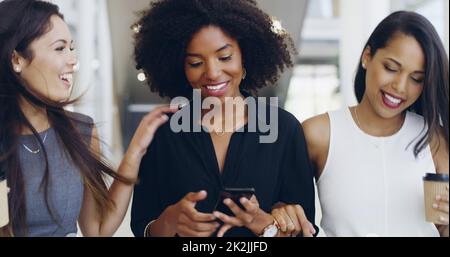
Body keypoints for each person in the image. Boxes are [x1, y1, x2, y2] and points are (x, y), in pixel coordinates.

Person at [130, 0, 317, 237]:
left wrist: (267, 225)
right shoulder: (163, 133)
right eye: (196, 63)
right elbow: (142, 226)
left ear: (245, 57)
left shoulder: (284, 129)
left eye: (225, 57)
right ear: (181, 68)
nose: (212, 73)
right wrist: (168, 222)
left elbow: (306, 230)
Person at [0, 0, 176, 237]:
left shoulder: (80, 130)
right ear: (16, 60)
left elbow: (98, 229)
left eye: (72, 48)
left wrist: (134, 153)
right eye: (60, 48)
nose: (72, 61)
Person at [271, 11, 449, 237]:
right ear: (367, 57)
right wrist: (279, 215)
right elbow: (288, 217)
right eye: (391, 68)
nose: (400, 86)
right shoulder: (319, 134)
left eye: (416, 79)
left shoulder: (434, 139)